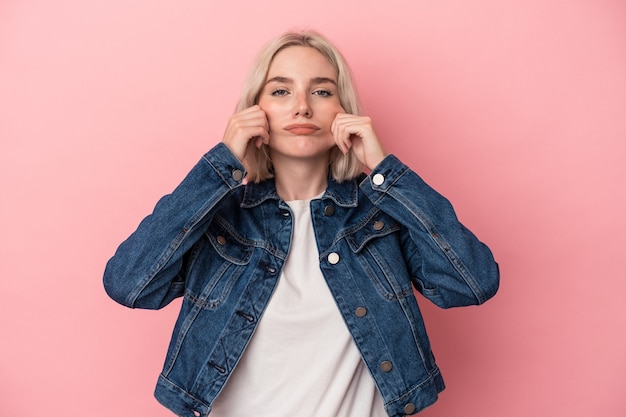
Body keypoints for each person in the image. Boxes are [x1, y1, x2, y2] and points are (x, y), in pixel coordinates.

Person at [103, 30, 499, 417]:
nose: (302, 107)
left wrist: (384, 170)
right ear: (253, 112)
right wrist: (221, 164)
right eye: (280, 91)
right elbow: (129, 284)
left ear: (344, 110)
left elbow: (472, 283)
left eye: (322, 91)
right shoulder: (221, 218)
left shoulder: (381, 217)